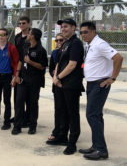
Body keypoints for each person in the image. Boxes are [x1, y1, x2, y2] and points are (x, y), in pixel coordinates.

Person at [79, 21, 123, 160]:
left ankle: (101, 150)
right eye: (81, 33)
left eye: (85, 32)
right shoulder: (89, 45)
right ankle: (96, 145)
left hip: (100, 84)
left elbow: (118, 57)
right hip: (92, 84)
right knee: (96, 115)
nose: (83, 35)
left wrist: (113, 78)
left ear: (93, 32)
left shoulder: (100, 44)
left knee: (92, 115)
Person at [50, 18, 84, 155]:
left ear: (73, 27)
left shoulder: (76, 43)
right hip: (60, 83)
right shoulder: (65, 43)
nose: (63, 29)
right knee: (62, 111)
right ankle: (62, 136)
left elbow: (72, 65)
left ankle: (72, 142)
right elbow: (58, 62)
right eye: (62, 27)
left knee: (72, 113)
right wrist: (55, 78)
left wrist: (58, 77)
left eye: (66, 26)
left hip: (71, 84)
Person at [11, 28, 47, 135]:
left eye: (29, 34)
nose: (27, 35)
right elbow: (21, 61)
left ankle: (32, 126)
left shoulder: (41, 50)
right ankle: (17, 126)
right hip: (23, 80)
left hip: (34, 81)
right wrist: (16, 76)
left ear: (33, 36)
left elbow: (42, 67)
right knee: (19, 102)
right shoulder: (25, 46)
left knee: (32, 104)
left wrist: (30, 62)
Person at [0, 28, 19, 130]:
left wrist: (14, 77)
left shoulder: (12, 48)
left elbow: (15, 64)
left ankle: (7, 122)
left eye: (3, 35)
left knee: (7, 100)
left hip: (7, 77)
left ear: (7, 36)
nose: (1, 37)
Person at [46, 33, 67, 142]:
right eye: (57, 41)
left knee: (67, 110)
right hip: (57, 84)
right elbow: (51, 69)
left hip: (67, 84)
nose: (59, 42)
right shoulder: (54, 53)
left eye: (61, 40)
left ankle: (65, 132)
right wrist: (55, 77)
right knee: (58, 109)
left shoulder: (68, 51)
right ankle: (57, 131)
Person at [12, 16, 31, 126]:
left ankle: (28, 118)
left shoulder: (32, 36)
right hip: (18, 66)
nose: (21, 25)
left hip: (29, 68)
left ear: (28, 24)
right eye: (20, 23)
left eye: (24, 23)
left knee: (28, 97)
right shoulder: (18, 37)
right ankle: (19, 116)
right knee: (17, 95)